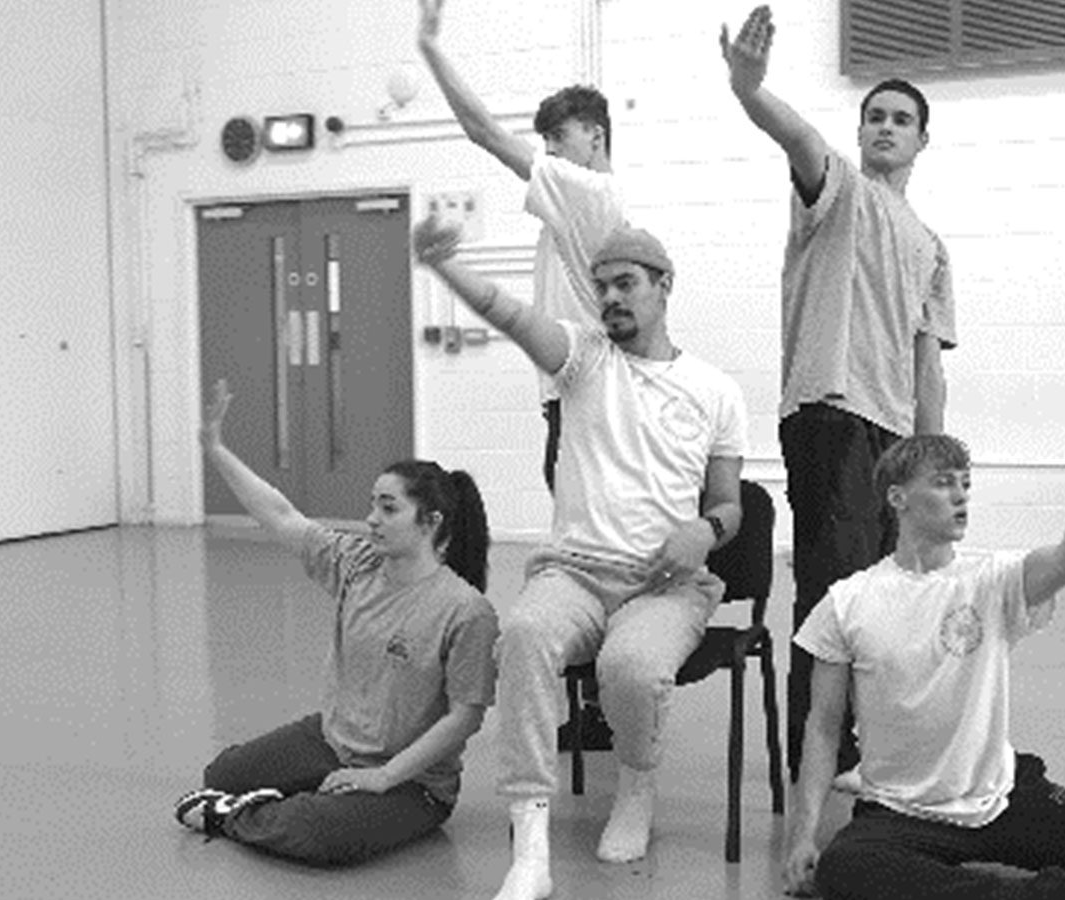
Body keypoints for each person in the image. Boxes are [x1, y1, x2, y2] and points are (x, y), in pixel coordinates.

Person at [413, 218, 748, 900]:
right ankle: (530, 843)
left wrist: (706, 532)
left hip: (665, 584)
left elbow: (730, 502)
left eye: (626, 283)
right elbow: (510, 315)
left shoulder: (716, 390)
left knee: (630, 666)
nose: (612, 298)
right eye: (602, 287)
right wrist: (446, 268)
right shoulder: (584, 358)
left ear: (664, 287)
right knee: (526, 635)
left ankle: (637, 784)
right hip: (573, 570)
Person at [782, 364, 1065, 899]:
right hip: (900, 812)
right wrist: (802, 836)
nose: (960, 496)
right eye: (942, 483)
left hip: (999, 798)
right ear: (897, 499)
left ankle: (1059, 832)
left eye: (965, 484)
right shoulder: (848, 602)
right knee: (847, 869)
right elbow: (822, 727)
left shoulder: (991, 580)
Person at [721, 5, 956, 782]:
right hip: (829, 415)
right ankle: (815, 759)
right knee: (834, 593)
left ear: (924, 140)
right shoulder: (840, 191)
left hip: (893, 434)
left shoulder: (930, 245)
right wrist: (750, 89)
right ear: (861, 134)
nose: (886, 127)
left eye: (902, 120)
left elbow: (929, 361)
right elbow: (796, 138)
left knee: (891, 599)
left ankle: (866, 744)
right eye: (875, 117)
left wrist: (935, 463)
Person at [173, 378, 498, 868]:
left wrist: (384, 777)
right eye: (373, 504)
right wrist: (215, 449)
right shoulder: (357, 563)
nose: (371, 518)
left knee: (315, 835)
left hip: (411, 784)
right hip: (332, 740)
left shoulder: (466, 610)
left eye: (388, 509)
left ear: (430, 522)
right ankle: (260, 801)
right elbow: (280, 515)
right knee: (222, 773)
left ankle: (237, 818)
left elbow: (464, 718)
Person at [418, 0, 629, 750]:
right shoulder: (576, 209)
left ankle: (605, 707)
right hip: (574, 399)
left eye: (556, 135)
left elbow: (479, 130)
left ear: (594, 138)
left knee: (586, 552)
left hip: (585, 402)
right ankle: (601, 708)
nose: (543, 148)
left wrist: (430, 46)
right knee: (585, 547)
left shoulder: (588, 191)